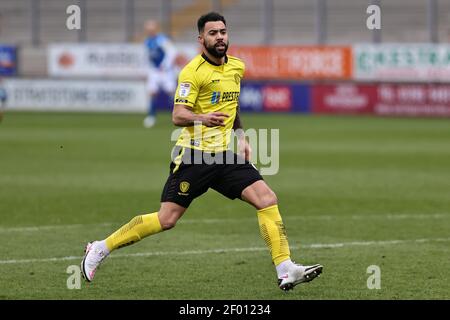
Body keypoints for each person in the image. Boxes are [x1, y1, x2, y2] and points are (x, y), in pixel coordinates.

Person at [81, 12, 322, 291]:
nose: (219, 37)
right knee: (166, 219)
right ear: (201, 39)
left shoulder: (237, 67)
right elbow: (177, 115)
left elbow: (233, 107)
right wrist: (203, 118)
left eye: (223, 31)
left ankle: (285, 268)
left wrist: (241, 137)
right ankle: (100, 247)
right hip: (194, 156)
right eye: (212, 33)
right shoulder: (192, 72)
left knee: (266, 198)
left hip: (223, 155)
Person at [142, 19, 177, 128]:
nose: (149, 30)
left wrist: (165, 65)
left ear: (155, 28)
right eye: (148, 28)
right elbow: (148, 56)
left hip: (166, 71)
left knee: (172, 93)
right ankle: (151, 116)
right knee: (152, 93)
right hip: (154, 71)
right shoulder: (147, 41)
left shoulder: (162, 39)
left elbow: (172, 52)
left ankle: (177, 115)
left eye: (151, 28)